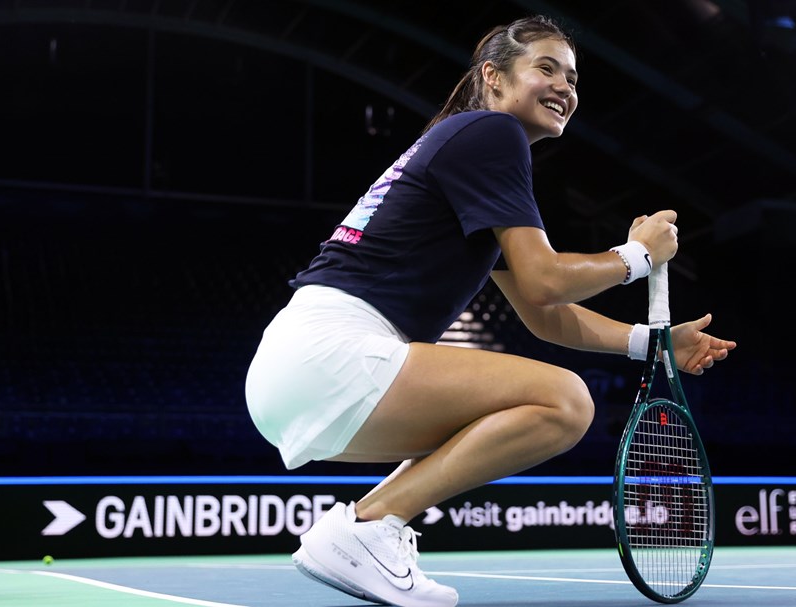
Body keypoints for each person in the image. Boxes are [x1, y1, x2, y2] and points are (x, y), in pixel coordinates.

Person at [244, 14, 736, 607]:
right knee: (564, 402)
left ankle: (369, 527)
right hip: (333, 350)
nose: (565, 87)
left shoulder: (472, 150)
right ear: (494, 78)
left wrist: (652, 344)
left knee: (516, 411)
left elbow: (543, 311)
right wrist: (637, 255)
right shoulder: (490, 135)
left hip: (297, 369)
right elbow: (547, 279)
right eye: (546, 68)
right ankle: (367, 529)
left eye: (573, 77)